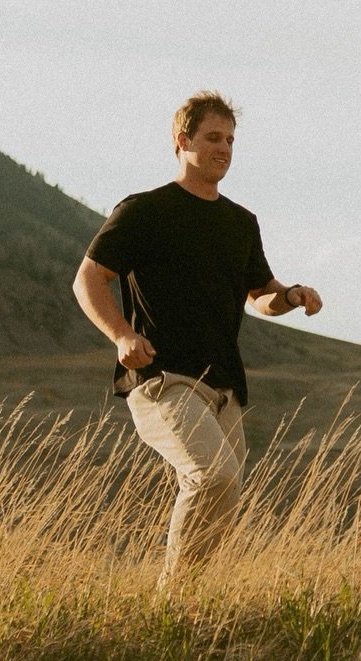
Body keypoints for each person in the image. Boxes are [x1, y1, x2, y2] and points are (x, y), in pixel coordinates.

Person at [72, 91, 323, 578]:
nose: (224, 148)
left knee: (224, 494)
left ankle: (191, 601)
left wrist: (290, 295)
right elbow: (88, 278)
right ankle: (174, 599)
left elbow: (260, 295)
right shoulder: (144, 210)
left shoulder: (240, 222)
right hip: (163, 377)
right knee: (213, 476)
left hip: (225, 386)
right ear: (182, 140)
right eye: (212, 138)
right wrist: (122, 335)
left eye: (230, 140)